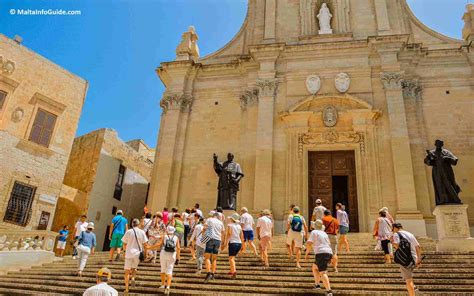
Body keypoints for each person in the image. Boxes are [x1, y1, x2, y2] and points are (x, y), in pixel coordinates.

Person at [147, 225, 181, 295]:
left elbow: (158, 244)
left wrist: (150, 247)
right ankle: (168, 286)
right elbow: (178, 248)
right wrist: (178, 257)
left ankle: (163, 284)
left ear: (167, 230)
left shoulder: (164, 236)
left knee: (163, 269)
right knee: (170, 271)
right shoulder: (176, 237)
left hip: (164, 254)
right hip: (172, 255)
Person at [392, 223, 422, 296]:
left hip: (404, 260)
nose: (392, 231)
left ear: (395, 228)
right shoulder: (410, 234)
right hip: (413, 258)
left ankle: (412, 294)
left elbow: (396, 245)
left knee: (408, 280)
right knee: (409, 278)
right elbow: (418, 246)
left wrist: (391, 242)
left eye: (392, 229)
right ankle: (414, 289)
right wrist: (419, 259)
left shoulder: (396, 234)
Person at [305, 219, 333, 296]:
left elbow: (309, 243)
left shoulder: (314, 232)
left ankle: (329, 291)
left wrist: (306, 253)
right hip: (328, 252)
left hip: (321, 253)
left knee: (323, 272)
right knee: (314, 267)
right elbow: (329, 244)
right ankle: (317, 285)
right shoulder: (324, 233)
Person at [121, 218, 148, 293]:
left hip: (129, 253)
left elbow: (124, 243)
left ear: (132, 224)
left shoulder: (128, 232)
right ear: (138, 224)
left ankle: (126, 289)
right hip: (137, 253)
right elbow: (145, 244)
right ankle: (133, 278)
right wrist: (146, 253)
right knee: (134, 267)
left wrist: (124, 251)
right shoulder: (142, 232)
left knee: (127, 272)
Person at [203, 211, 226, 283]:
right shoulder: (221, 223)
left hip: (210, 238)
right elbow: (223, 233)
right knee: (214, 258)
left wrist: (204, 235)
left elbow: (204, 228)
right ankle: (213, 273)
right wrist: (223, 243)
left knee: (207, 257)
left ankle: (208, 273)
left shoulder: (209, 220)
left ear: (213, 215)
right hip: (218, 240)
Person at [223, 213, 245, 278]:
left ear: (232, 219)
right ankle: (231, 270)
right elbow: (242, 236)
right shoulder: (239, 226)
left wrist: (225, 243)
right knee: (232, 257)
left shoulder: (230, 225)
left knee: (231, 258)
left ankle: (234, 271)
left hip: (233, 242)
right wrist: (243, 245)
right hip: (239, 243)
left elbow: (229, 234)